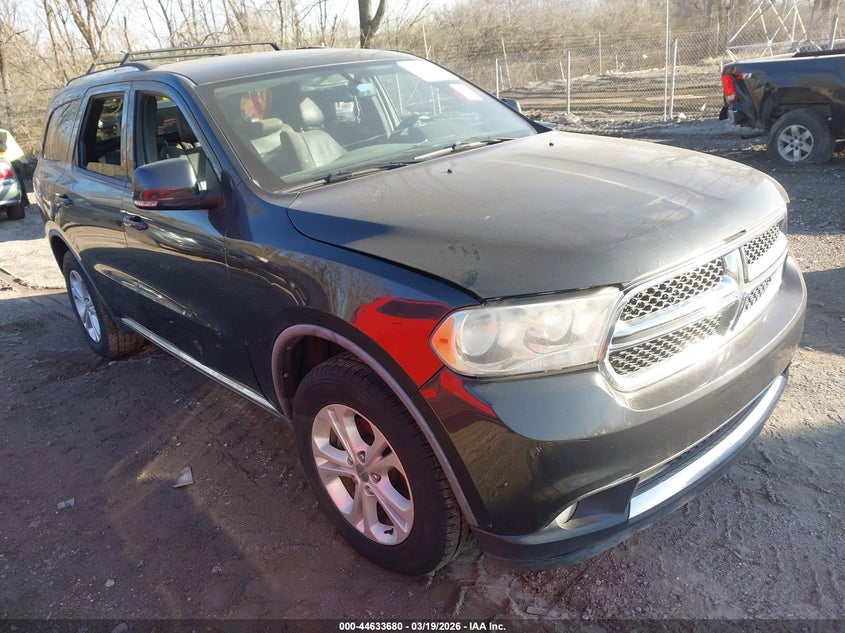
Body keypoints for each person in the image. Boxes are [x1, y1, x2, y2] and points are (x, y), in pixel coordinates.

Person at [0, 129, 27, 206]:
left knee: (17, 183)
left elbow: (2, 148)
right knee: (19, 182)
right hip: (13, 159)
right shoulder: (2, 131)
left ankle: (23, 203)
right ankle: (24, 202)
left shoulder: (1, 132)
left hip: (13, 159)